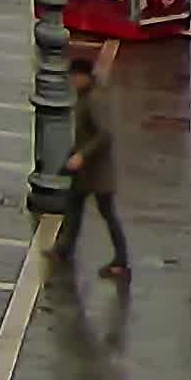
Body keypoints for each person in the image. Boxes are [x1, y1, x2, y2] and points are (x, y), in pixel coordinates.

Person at [61, 46, 131, 279]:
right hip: (86, 172)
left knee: (108, 214)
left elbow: (104, 133)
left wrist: (81, 155)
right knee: (73, 205)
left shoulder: (94, 99)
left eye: (73, 77)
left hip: (98, 171)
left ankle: (121, 261)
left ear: (83, 77)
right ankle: (65, 249)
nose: (71, 82)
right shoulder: (85, 96)